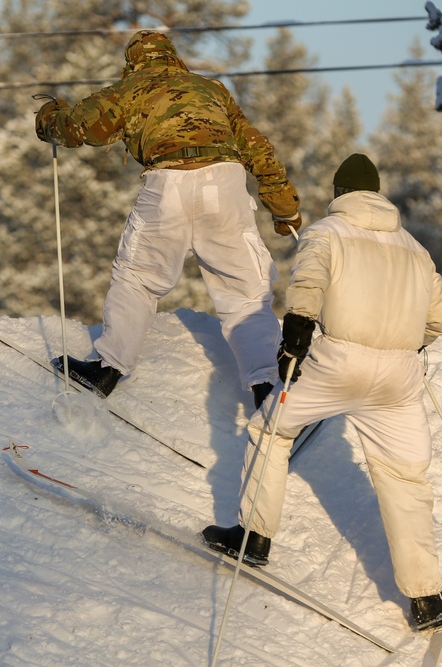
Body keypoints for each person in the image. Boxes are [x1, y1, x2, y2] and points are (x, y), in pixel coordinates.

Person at [202, 153, 442, 632]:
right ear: (378, 194)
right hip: (400, 378)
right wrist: (406, 339)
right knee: (405, 478)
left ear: (340, 194)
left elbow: (311, 279)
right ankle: (426, 598)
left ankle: (253, 537)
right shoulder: (415, 248)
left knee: (271, 431)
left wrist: (298, 327)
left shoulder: (327, 232)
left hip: (339, 362)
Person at [34, 30, 301, 408]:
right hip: (225, 182)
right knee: (244, 291)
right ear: (173, 57)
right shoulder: (211, 88)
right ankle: (267, 388)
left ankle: (108, 368)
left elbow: (77, 128)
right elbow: (256, 146)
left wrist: (48, 116)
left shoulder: (128, 90)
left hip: (168, 184)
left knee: (138, 277)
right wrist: (283, 205)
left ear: (133, 62)